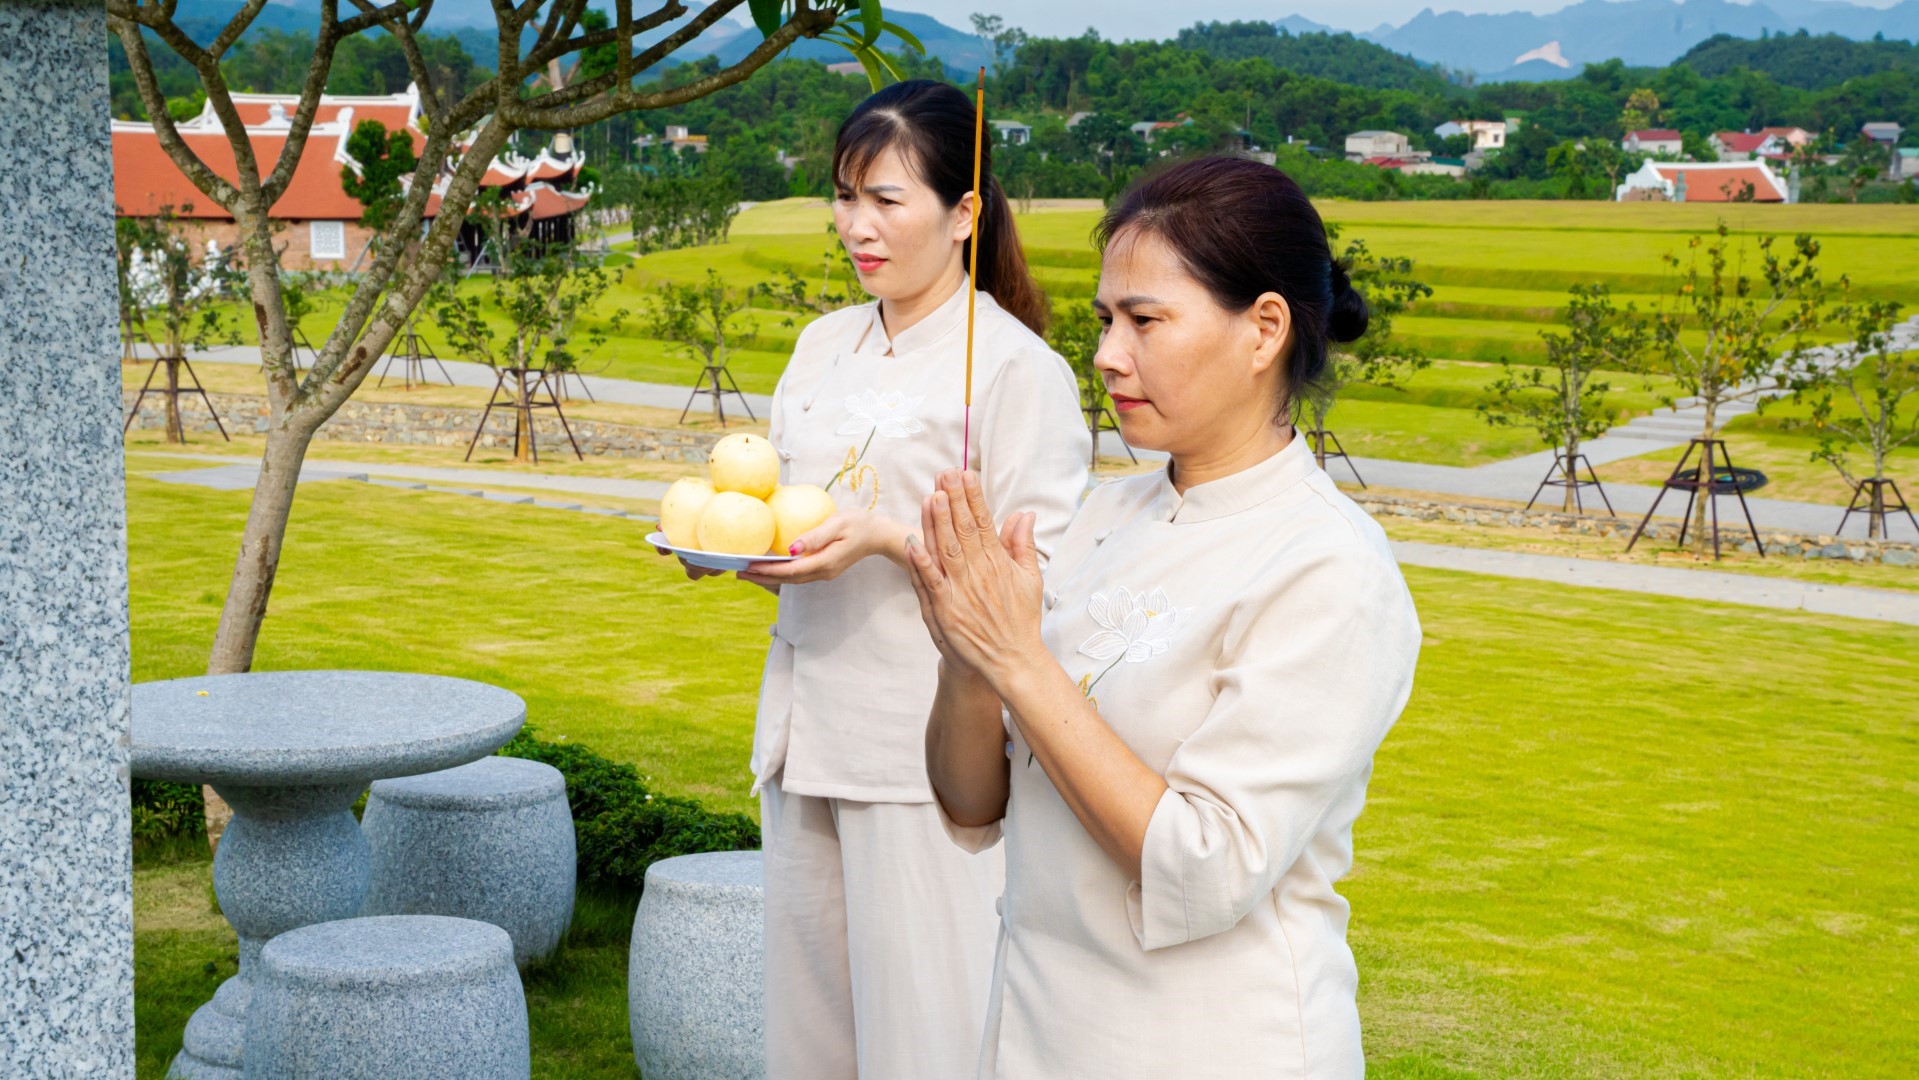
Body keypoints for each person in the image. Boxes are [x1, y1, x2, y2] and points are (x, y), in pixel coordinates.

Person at [905, 155, 1423, 1078]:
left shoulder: (1329, 569)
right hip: (1038, 1026)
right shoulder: (1106, 515)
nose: (1107, 354)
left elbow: (1204, 865)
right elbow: (973, 802)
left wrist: (1017, 659)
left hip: (1209, 1042)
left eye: (1144, 321)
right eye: (1105, 320)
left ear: (1264, 329)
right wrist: (966, 655)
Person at [664, 80, 1089, 1078]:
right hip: (802, 732)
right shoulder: (822, 344)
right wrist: (747, 555)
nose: (857, 226)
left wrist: (888, 541)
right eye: (845, 196)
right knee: (808, 1043)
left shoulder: (1014, 369)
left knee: (925, 1045)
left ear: (963, 212)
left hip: (925, 762)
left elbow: (1045, 580)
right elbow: (795, 528)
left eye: (886, 200)